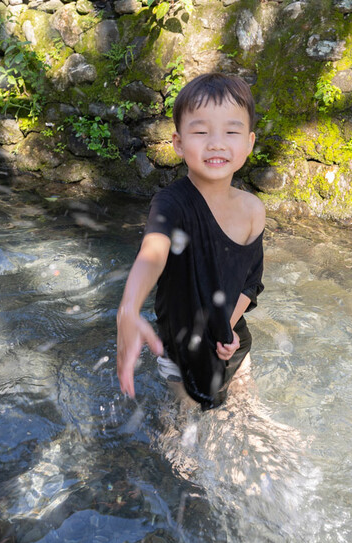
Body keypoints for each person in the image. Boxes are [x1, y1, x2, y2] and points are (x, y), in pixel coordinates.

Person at [116, 72, 265, 410]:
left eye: (231, 131)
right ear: (179, 143)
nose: (216, 142)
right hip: (183, 354)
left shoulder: (253, 210)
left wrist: (225, 330)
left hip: (233, 345)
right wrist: (128, 307)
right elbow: (152, 254)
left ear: (250, 143)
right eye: (200, 132)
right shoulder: (171, 204)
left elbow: (251, 283)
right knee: (184, 437)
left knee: (248, 414)